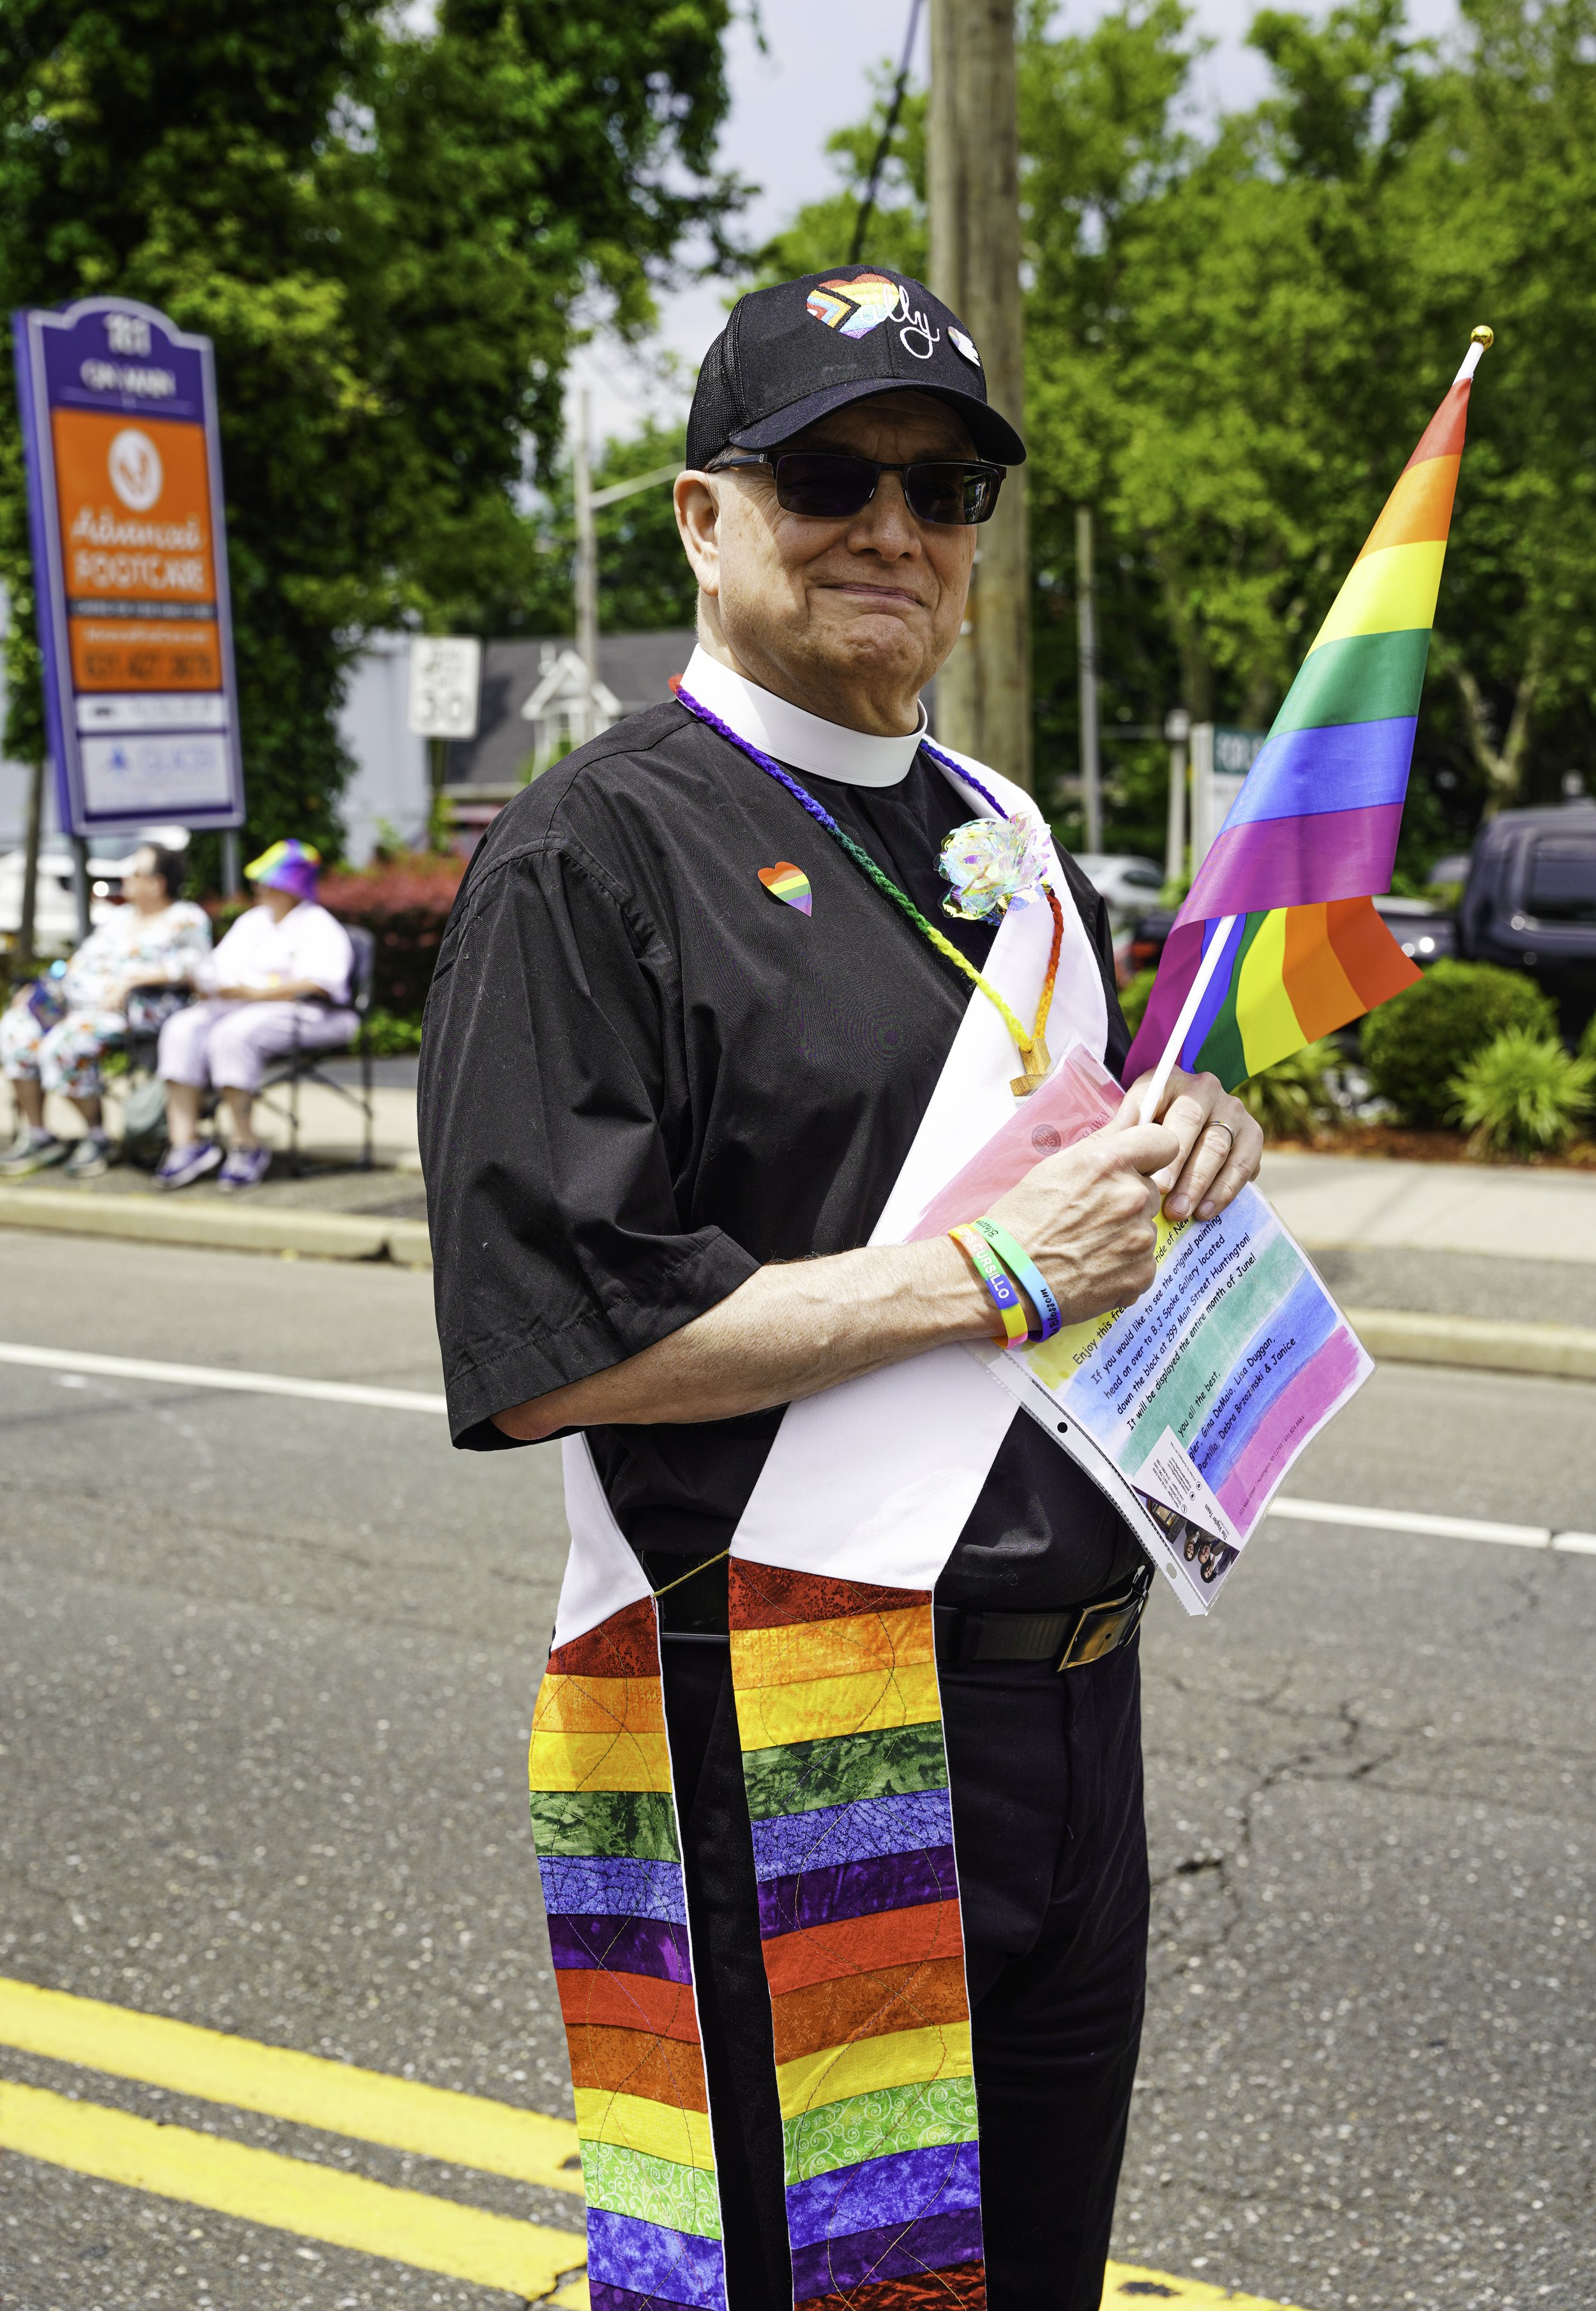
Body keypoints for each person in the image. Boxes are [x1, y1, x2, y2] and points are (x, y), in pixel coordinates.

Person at [420, 268, 1264, 2311]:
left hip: (1072, 1700)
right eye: (825, 475)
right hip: (795, 1681)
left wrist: (1185, 1143)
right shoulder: (593, 853)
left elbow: (1066, 1187)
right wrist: (983, 1272)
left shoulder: (1001, 829)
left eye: (943, 482)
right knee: (816, 2286)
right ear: (701, 518)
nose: (890, 526)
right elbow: (556, 1352)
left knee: (1025, 2275)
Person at [1, 841, 210, 1179]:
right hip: (75, 1003)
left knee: (64, 1042)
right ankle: (39, 1134)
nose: (125, 877)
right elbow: (78, 963)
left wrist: (131, 981)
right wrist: (39, 988)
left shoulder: (185, 918)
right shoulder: (119, 917)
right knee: (15, 1029)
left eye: (135, 872)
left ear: (157, 883)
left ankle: (95, 1136)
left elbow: (194, 967)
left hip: (134, 1009)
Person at [156, 838, 356, 1192]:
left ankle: (245, 1145)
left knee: (234, 1034)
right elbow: (217, 968)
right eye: (258, 882)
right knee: (181, 1027)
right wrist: (206, 983)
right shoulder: (252, 921)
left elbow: (323, 983)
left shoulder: (318, 924)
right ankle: (186, 1143)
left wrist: (256, 993)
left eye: (268, 882)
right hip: (238, 1007)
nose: (259, 889)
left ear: (291, 886)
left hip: (313, 1013)